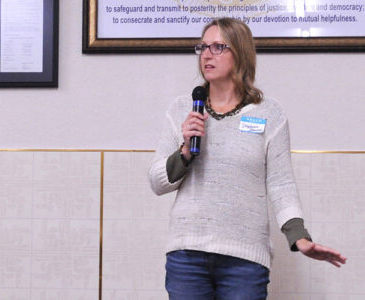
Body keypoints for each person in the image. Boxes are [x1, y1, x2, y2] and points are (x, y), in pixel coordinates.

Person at [148, 18, 346, 300]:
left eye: (218, 47)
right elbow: (157, 182)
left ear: (240, 53)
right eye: (203, 47)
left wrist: (298, 237)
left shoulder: (269, 113)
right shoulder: (182, 109)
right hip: (187, 255)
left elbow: (281, 184)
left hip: (244, 260)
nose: (207, 54)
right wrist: (184, 152)